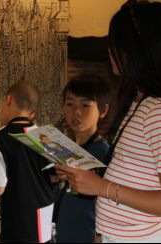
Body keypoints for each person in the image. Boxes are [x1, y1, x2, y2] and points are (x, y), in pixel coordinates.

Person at [56, 1, 161, 243]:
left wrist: (101, 187)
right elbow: (131, 175)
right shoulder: (140, 102)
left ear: (135, 49)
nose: (110, 50)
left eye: (115, 43)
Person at [0, 81, 54, 243]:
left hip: (17, 217)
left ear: (8, 99)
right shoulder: (46, 136)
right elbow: (55, 176)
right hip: (44, 213)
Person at [55, 73, 111, 243]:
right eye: (70, 103)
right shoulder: (67, 150)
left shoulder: (104, 154)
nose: (76, 111)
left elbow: (108, 204)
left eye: (85, 105)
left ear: (103, 111)